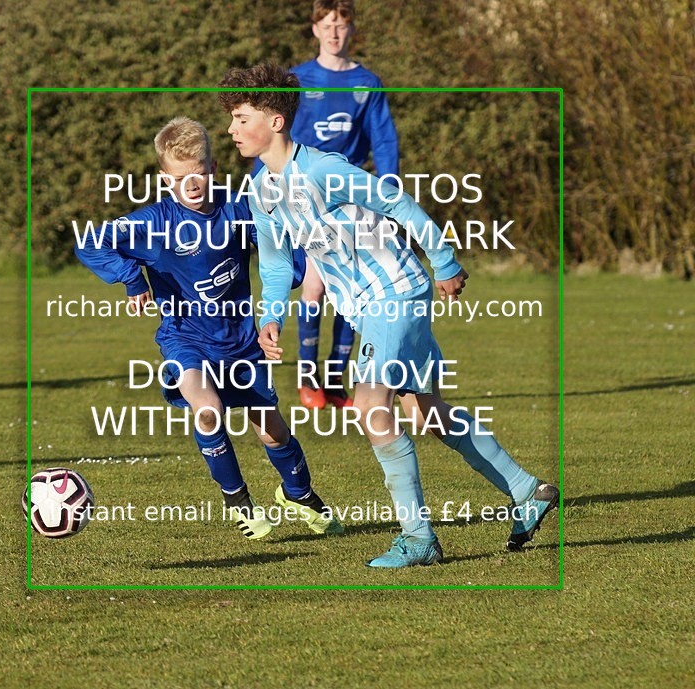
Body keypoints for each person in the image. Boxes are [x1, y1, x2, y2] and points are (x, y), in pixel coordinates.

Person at [218, 63, 559, 567]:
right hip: (375, 305)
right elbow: (271, 265)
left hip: (393, 293)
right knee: (426, 414)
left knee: (369, 406)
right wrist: (270, 318)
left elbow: (395, 201)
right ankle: (526, 490)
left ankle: (419, 539)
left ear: (274, 121)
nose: (231, 129)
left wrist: (443, 260)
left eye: (241, 118)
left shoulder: (321, 170)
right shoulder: (261, 193)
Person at [75, 116, 343, 541]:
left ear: (213, 167)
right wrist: (131, 277)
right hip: (186, 338)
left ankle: (300, 494)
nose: (192, 183)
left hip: (240, 342)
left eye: (199, 172)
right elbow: (90, 241)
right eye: (181, 177)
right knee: (208, 408)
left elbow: (280, 247)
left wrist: (298, 271)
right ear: (165, 179)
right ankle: (238, 502)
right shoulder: (153, 222)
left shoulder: (238, 209)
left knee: (273, 432)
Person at [290, 0, 400, 410]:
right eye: (327, 25)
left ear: (352, 31)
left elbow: (384, 141)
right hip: (306, 194)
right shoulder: (297, 79)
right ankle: (306, 379)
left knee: (352, 291)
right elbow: (275, 137)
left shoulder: (367, 83)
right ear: (315, 29)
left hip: (351, 197)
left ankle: (334, 381)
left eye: (342, 26)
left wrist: (388, 193)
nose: (335, 33)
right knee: (316, 285)